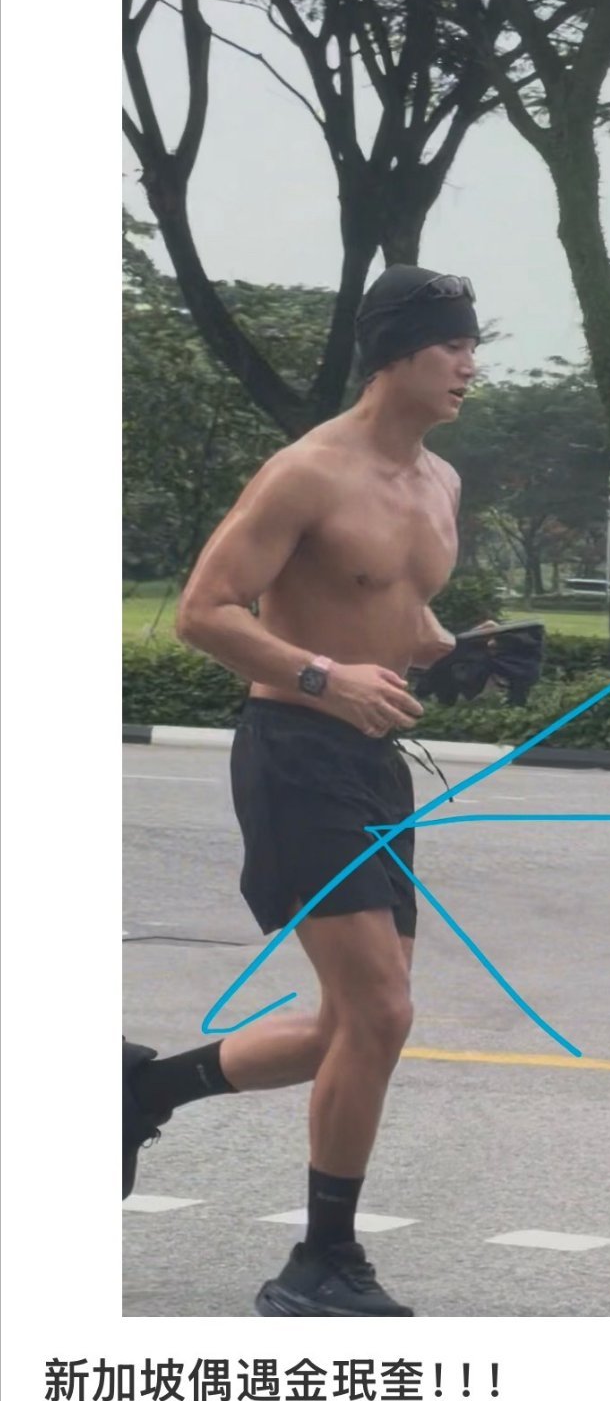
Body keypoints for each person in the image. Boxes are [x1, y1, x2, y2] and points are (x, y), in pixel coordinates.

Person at [123, 265, 486, 1317]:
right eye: (452, 345)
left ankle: (142, 1091)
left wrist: (452, 650)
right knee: (381, 1009)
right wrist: (326, 676)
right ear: (395, 353)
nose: (469, 366)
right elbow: (204, 611)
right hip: (295, 753)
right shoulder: (307, 472)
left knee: (358, 1026)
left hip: (374, 763)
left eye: (474, 346)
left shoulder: (442, 481)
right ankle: (320, 1262)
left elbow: (396, 605)